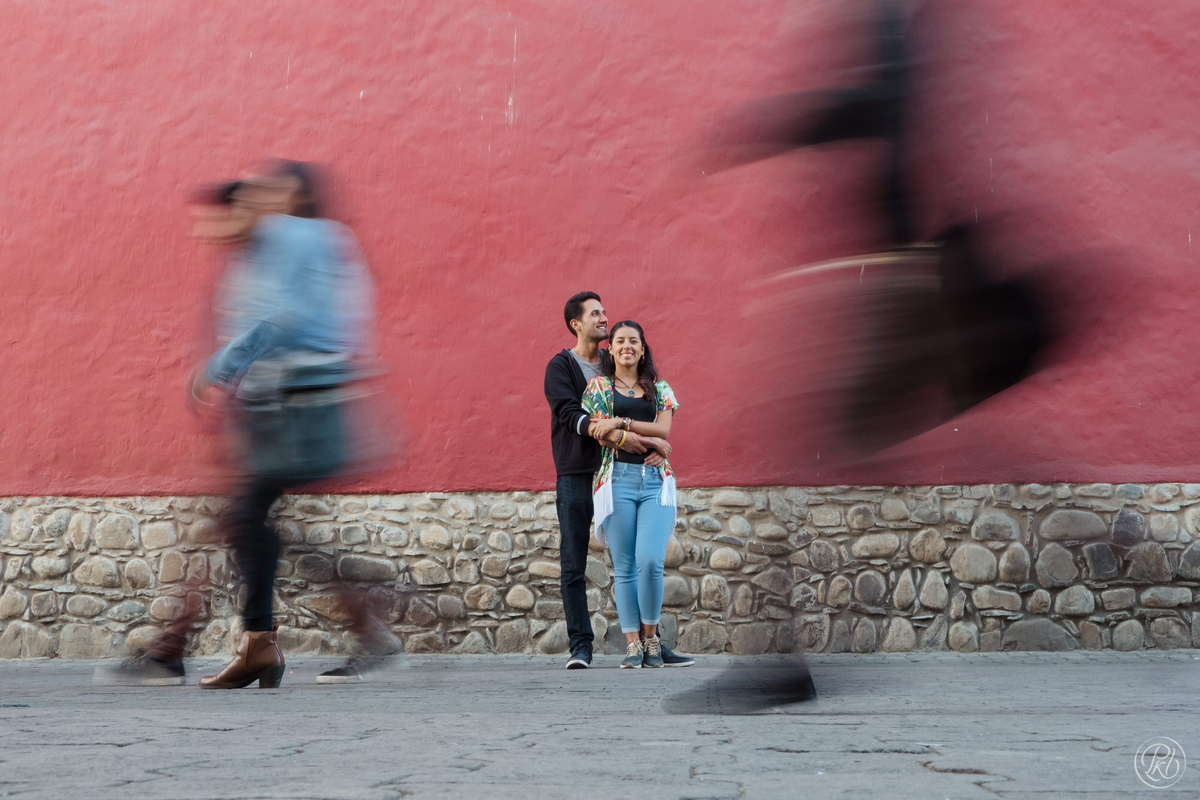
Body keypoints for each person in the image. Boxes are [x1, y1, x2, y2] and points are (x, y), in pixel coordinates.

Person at [544, 295, 693, 668]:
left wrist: (658, 443)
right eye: (595, 314)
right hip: (581, 472)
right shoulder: (563, 365)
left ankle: (651, 642)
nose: (604, 319)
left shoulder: (617, 364)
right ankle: (582, 646)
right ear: (575, 323)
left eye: (604, 313)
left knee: (646, 561)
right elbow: (571, 414)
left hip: (630, 473)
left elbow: (650, 410)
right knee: (576, 562)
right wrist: (631, 437)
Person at [581, 321, 679, 668]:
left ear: (641, 348)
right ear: (611, 349)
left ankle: (652, 640)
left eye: (633, 341)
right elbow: (597, 431)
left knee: (650, 562)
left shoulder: (660, 388)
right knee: (624, 566)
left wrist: (621, 423)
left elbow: (663, 429)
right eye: (619, 340)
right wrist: (651, 440)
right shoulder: (598, 387)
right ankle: (633, 644)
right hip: (617, 481)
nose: (626, 345)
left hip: (656, 481)